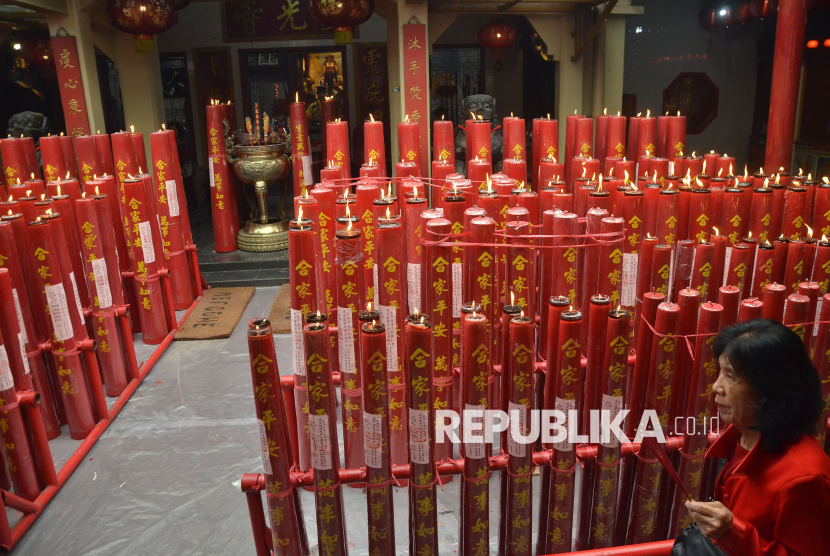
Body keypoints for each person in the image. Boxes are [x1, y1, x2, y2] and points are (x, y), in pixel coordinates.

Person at [684, 319, 830, 555]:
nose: (716, 387)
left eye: (730, 376)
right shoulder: (744, 434)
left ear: (770, 388)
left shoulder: (805, 477)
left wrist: (732, 533)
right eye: (720, 372)